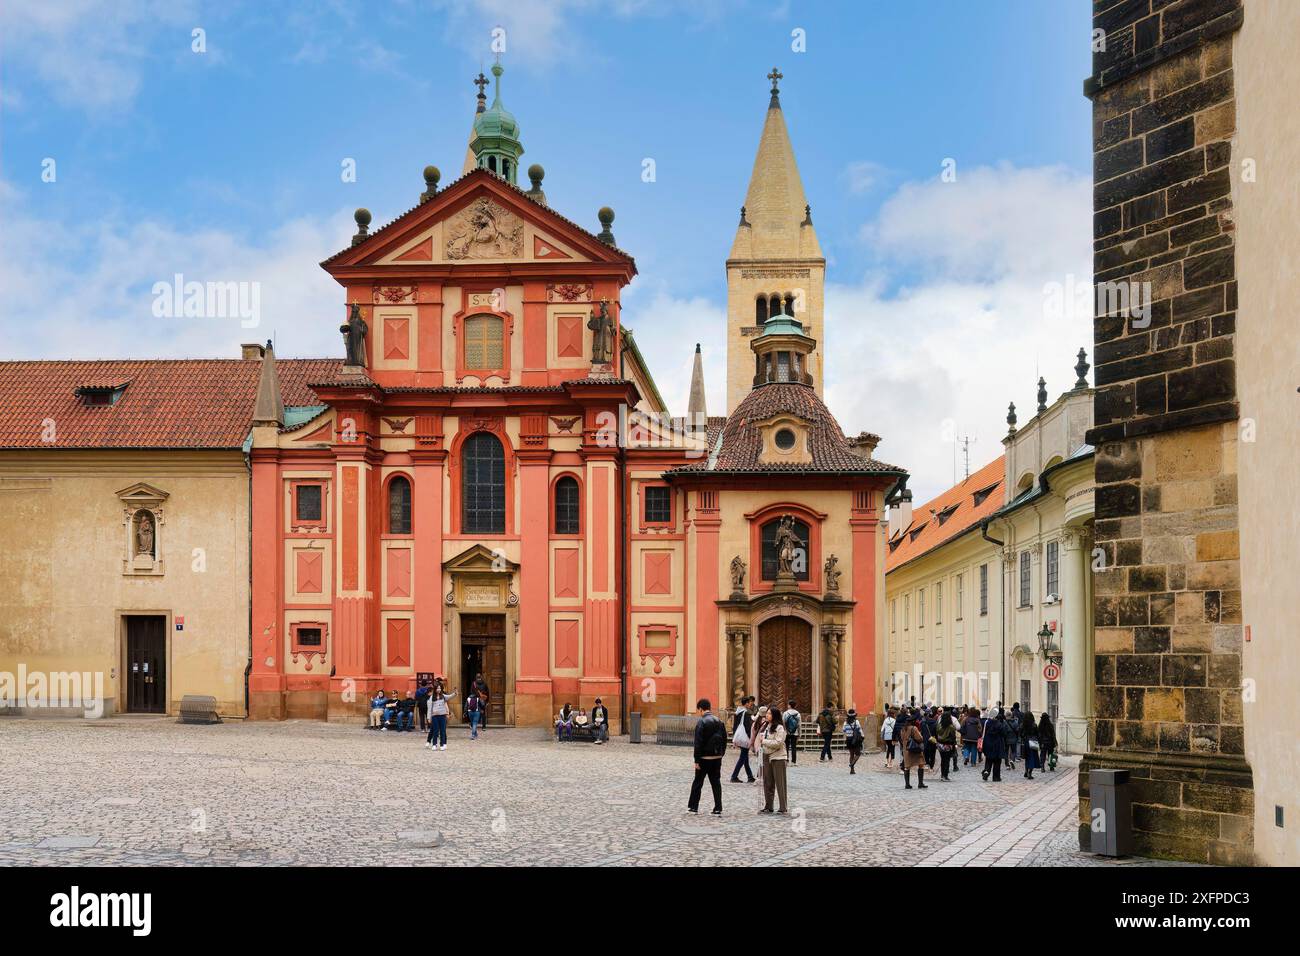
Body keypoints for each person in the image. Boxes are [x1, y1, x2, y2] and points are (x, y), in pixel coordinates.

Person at [687, 699, 726, 815]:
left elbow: (698, 743)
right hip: (716, 758)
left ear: (700, 709)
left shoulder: (701, 722)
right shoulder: (719, 721)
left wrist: (696, 760)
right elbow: (724, 740)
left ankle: (693, 807)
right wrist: (721, 754)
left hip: (704, 758)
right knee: (716, 783)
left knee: (698, 782)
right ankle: (718, 807)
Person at [759, 702, 789, 813]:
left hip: (778, 757)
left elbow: (778, 743)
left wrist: (764, 741)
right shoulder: (767, 726)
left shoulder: (780, 728)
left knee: (780, 783)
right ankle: (768, 806)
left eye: (769, 714)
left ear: (775, 716)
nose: (767, 715)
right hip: (767, 756)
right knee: (768, 782)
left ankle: (783, 807)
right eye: (766, 713)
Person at [729, 696, 756, 783]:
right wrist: (751, 739)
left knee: (745, 757)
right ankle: (734, 776)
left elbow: (735, 725)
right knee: (742, 758)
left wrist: (735, 735)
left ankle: (750, 776)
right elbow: (748, 727)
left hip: (740, 736)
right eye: (749, 703)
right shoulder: (746, 713)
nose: (750, 704)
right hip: (745, 738)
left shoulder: (738, 712)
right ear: (747, 703)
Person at [900, 713, 927, 789]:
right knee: (921, 764)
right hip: (915, 749)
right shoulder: (913, 728)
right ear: (913, 721)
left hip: (906, 749)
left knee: (907, 767)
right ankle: (920, 783)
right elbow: (919, 738)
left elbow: (902, 739)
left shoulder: (903, 729)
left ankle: (907, 784)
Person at [981, 708, 1006, 782]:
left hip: (988, 743)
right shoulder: (999, 724)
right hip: (997, 744)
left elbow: (983, 732)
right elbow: (1004, 734)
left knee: (988, 759)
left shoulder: (986, 722)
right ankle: (996, 777)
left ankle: (986, 771)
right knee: (997, 762)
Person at [936, 709, 958, 780]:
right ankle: (945, 775)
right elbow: (953, 736)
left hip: (940, 744)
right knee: (947, 760)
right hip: (947, 745)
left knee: (942, 760)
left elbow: (937, 733)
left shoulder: (939, 725)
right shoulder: (951, 727)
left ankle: (942, 775)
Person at [843, 708, 865, 775]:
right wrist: (863, 736)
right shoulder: (856, 722)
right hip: (855, 740)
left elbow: (844, 730)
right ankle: (852, 764)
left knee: (851, 754)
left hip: (848, 740)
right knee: (858, 754)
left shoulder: (845, 722)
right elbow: (860, 730)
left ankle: (852, 770)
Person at [781, 699, 801, 765]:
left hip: (787, 732)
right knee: (794, 747)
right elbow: (799, 725)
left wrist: (785, 731)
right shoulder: (798, 714)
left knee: (786, 747)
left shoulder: (785, 713)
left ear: (789, 705)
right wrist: (799, 734)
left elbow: (783, 723)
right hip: (795, 733)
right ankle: (793, 761)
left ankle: (786, 760)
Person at [1021, 710, 1040, 779]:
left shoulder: (1023, 724)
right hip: (1033, 742)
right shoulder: (1034, 725)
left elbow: (1020, 733)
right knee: (1032, 758)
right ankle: (1029, 772)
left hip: (1026, 742)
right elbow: (1038, 734)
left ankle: (1026, 771)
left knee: (1027, 757)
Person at [1004, 703, 1021, 771]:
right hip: (1013, 739)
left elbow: (1003, 731)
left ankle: (1007, 765)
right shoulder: (1015, 722)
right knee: (1013, 751)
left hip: (1006, 739)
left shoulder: (1004, 722)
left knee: (1006, 752)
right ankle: (1012, 760)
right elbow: (1017, 730)